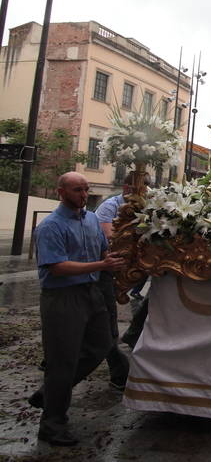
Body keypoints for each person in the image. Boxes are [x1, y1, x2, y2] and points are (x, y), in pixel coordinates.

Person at [28, 172, 126, 447]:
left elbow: (100, 252)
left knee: (102, 345)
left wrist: (110, 259)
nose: (83, 195)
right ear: (61, 192)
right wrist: (101, 266)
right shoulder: (50, 227)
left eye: (85, 190)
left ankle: (50, 393)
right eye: (76, 190)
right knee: (63, 360)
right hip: (62, 297)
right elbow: (57, 267)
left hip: (91, 292)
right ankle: (52, 424)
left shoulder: (92, 219)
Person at [94, 175, 139, 390]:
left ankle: (130, 340)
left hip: (127, 265)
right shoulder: (109, 206)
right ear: (126, 186)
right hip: (106, 268)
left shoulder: (145, 206)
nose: (144, 189)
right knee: (103, 322)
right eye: (140, 184)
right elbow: (109, 237)